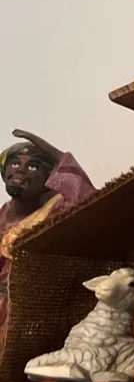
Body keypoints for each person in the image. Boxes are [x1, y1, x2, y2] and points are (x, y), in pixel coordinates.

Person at [0, 130, 96, 345]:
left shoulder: (56, 210)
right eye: (14, 164)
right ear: (4, 172)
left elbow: (88, 199)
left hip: (40, 310)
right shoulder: (2, 217)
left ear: (48, 180)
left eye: (33, 167)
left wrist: (42, 144)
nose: (21, 170)